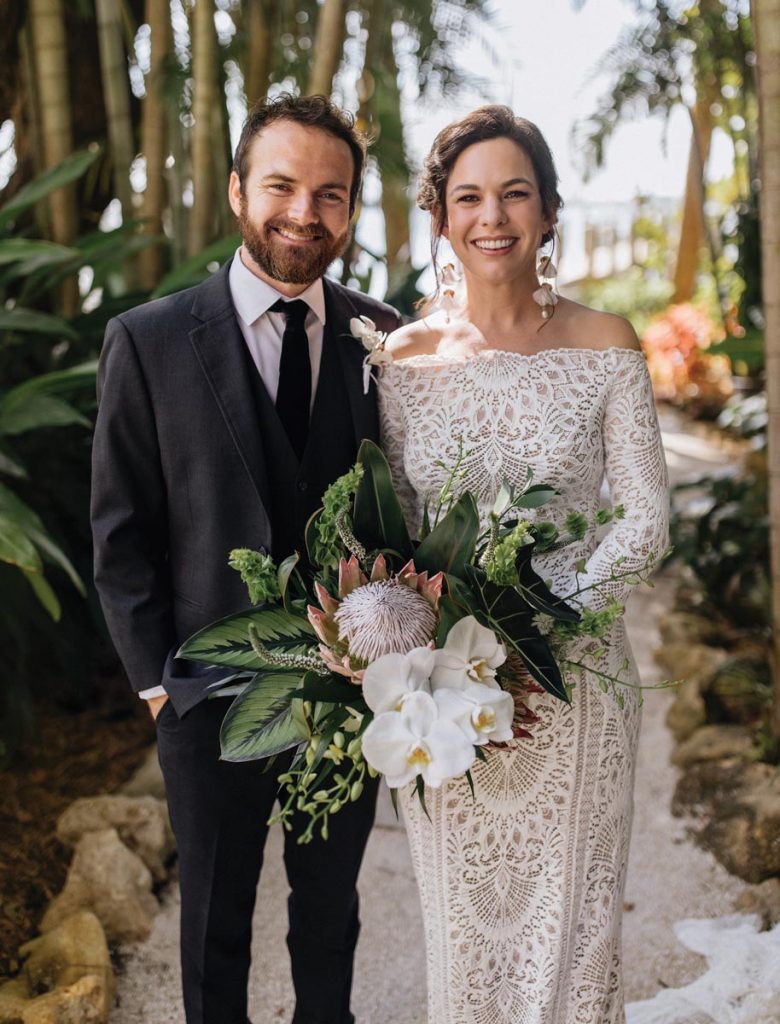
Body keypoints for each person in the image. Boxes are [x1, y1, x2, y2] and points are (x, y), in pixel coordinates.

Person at [91, 94, 401, 1024]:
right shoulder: (146, 341)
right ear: (236, 191)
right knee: (215, 924)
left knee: (329, 918)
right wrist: (159, 688)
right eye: (281, 185)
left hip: (349, 695)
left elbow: (402, 511)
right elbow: (119, 532)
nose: (305, 213)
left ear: (350, 208)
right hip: (206, 697)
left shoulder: (382, 335)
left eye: (331, 194)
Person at [378, 105, 670, 1024]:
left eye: (514, 193)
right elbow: (390, 532)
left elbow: (645, 525)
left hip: (576, 689)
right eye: (468, 197)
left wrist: (529, 632)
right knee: (465, 942)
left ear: (547, 213)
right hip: (442, 708)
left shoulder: (606, 341)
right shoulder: (401, 359)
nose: (491, 217)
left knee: (574, 944)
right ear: (440, 217)